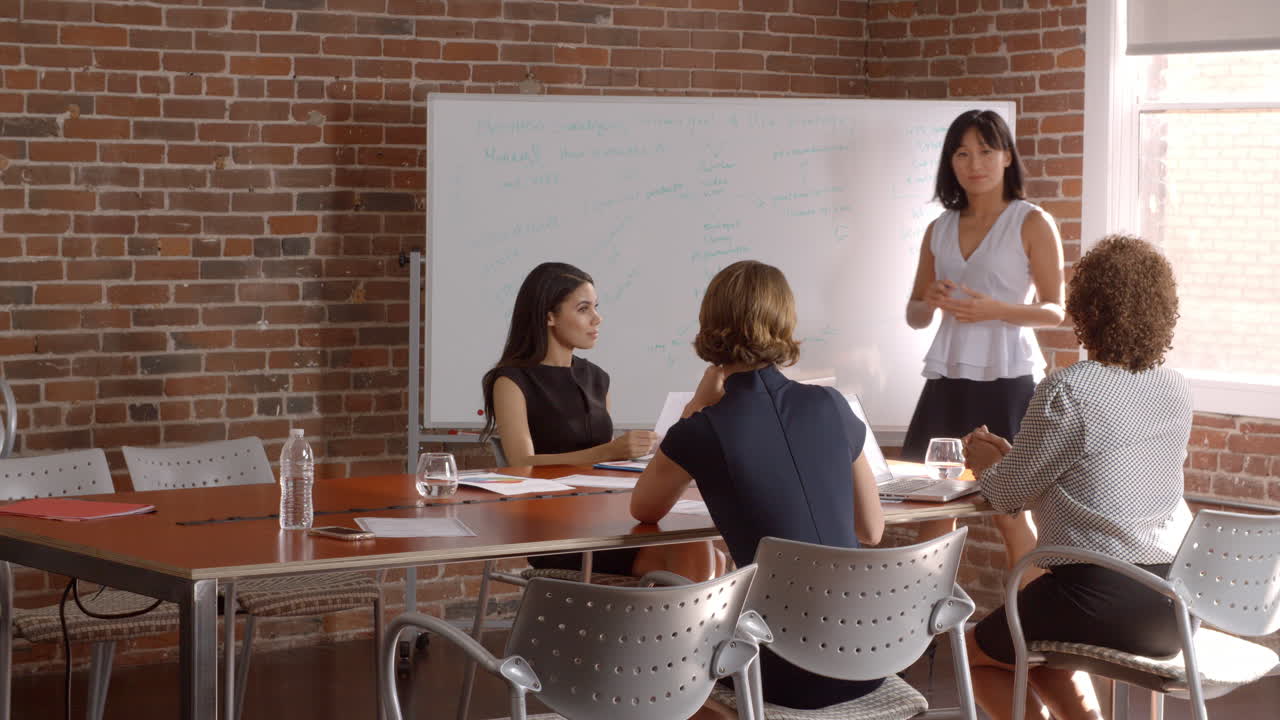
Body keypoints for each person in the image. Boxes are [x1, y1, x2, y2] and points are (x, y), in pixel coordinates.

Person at [631, 260, 886, 711]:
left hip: (783, 668)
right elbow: (871, 530)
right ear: (785, 323)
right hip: (872, 657)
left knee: (669, 663)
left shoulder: (704, 428)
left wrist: (695, 405)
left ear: (710, 327)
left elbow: (644, 508)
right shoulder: (831, 404)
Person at [962, 235, 1191, 720]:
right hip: (1174, 602)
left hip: (1095, 597)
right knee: (1039, 654)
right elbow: (1096, 469)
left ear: (1086, 309)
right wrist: (1017, 457)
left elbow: (1005, 495)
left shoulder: (1068, 389)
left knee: (972, 654)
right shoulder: (1174, 388)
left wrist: (987, 463)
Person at [480, 261, 714, 579]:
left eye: (596, 307)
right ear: (549, 316)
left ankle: (675, 628)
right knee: (695, 552)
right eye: (583, 309)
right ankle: (701, 629)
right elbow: (522, 463)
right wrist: (609, 452)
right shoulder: (510, 381)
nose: (597, 318)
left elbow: (603, 468)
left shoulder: (596, 378)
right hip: (555, 528)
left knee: (705, 545)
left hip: (608, 513)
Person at [903, 108, 1066, 563]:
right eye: (962, 153)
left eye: (985, 151)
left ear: (1007, 157)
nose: (974, 163)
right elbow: (915, 315)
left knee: (1009, 510)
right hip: (948, 376)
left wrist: (995, 310)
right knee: (932, 508)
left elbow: (1056, 310)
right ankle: (922, 628)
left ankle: (1027, 623)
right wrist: (930, 300)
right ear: (950, 163)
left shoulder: (1032, 221)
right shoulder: (939, 228)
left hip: (1009, 376)